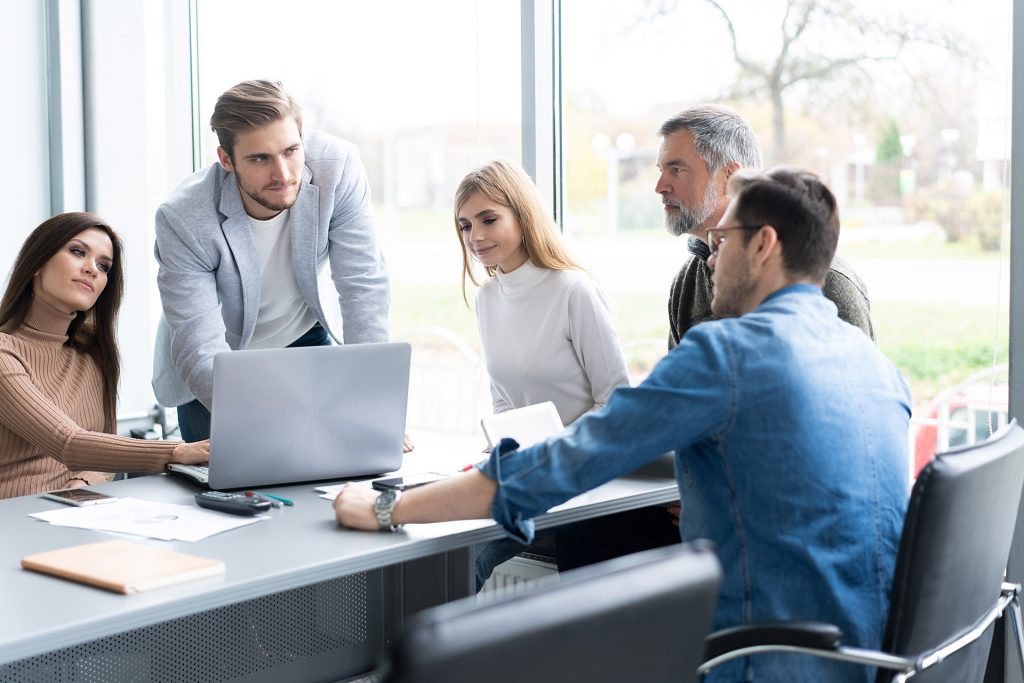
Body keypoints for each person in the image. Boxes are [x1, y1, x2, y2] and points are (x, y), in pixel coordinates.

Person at [336, 168, 911, 683]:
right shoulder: (878, 368)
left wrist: (385, 508)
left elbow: (565, 459)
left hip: (759, 661)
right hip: (871, 657)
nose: (710, 259)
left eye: (721, 241)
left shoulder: (728, 353)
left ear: (763, 245)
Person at [555, 104, 878, 570]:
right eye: (660, 169)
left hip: (782, 523)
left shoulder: (829, 289)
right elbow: (678, 422)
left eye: (676, 169)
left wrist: (718, 500)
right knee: (584, 528)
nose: (659, 185)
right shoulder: (688, 282)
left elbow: (845, 452)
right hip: (708, 497)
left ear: (730, 177)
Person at [152, 79, 390, 442]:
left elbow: (363, 288)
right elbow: (199, 344)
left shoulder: (337, 168)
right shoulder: (184, 218)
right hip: (220, 364)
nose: (283, 174)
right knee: (225, 487)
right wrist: (268, 422)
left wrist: (369, 405)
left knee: (337, 464)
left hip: (302, 337)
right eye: (260, 158)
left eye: (291, 150)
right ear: (227, 160)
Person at [455, 159, 630, 589]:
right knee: (443, 547)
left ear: (523, 215)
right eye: (464, 225)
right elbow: (503, 403)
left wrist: (548, 455)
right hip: (530, 474)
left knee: (467, 558)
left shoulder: (574, 290)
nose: (475, 237)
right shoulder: (488, 300)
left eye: (488, 219)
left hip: (579, 473)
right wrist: (502, 454)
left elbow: (618, 401)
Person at [0, 213, 209, 500]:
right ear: (36, 262)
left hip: (75, 513)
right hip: (13, 522)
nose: (92, 270)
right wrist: (177, 451)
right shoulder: (3, 352)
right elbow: (68, 443)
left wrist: (84, 481)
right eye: (77, 252)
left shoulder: (93, 354)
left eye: (104, 265)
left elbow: (103, 449)